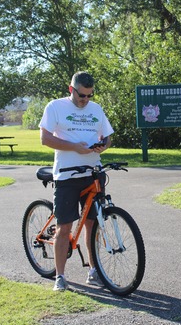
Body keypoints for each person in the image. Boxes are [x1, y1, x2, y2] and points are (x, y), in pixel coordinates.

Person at [39, 71, 114, 291]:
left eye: (90, 95)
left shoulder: (96, 109)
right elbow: (45, 138)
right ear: (71, 89)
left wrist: (104, 145)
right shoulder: (55, 107)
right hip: (67, 175)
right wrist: (74, 147)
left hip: (93, 173)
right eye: (82, 95)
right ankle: (60, 277)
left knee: (93, 224)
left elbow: (108, 136)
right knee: (64, 227)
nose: (86, 100)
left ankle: (93, 271)